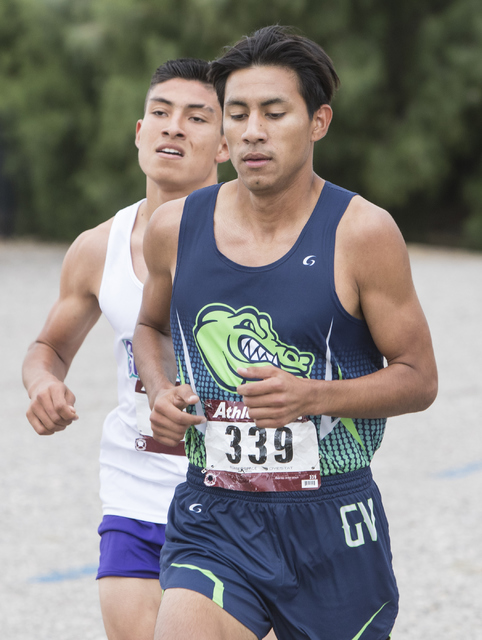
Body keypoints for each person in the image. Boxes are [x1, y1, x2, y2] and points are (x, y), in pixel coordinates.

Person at [133, 26, 438, 640]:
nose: (252, 131)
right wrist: (161, 389)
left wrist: (314, 396)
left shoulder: (363, 233)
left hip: (331, 518)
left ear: (318, 121)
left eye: (274, 113)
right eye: (237, 114)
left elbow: (419, 378)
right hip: (214, 511)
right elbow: (149, 326)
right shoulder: (175, 227)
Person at [22, 58, 230, 640]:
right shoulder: (97, 247)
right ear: (139, 133)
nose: (173, 127)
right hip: (134, 488)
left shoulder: (259, 244)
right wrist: (43, 383)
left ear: (225, 145)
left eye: (196, 117)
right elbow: (48, 347)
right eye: (160, 113)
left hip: (239, 497)